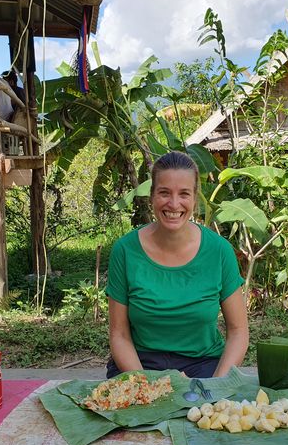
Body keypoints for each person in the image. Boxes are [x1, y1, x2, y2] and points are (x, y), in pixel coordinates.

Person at [106, 151, 249, 379]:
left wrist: (217, 386)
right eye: (164, 193)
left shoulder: (219, 251)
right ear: (152, 195)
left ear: (194, 198)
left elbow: (238, 331)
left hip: (204, 365)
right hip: (139, 365)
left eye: (184, 194)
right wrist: (147, 386)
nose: (174, 203)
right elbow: (119, 334)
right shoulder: (125, 251)